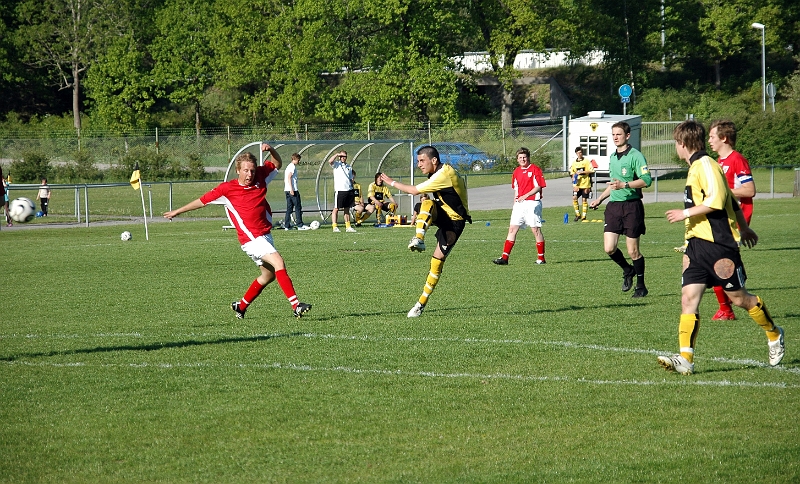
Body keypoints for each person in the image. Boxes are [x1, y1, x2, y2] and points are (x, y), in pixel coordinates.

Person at [659, 120, 783, 375]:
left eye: (676, 143)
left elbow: (716, 201)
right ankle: (686, 360)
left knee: (739, 299)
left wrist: (685, 213)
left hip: (719, 247)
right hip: (696, 246)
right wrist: (743, 226)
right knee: (688, 299)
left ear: (682, 144)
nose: (676, 147)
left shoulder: (706, 165)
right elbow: (730, 199)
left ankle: (774, 333)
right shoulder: (698, 167)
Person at [163, 145, 312, 319]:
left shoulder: (260, 177)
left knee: (269, 275)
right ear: (238, 170)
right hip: (250, 238)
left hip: (265, 235)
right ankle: (296, 305)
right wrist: (177, 212)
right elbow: (202, 201)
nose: (250, 175)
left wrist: (271, 149)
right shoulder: (227, 189)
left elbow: (277, 163)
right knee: (279, 262)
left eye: (252, 170)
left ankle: (240, 306)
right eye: (246, 171)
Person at [379, 146, 471, 318]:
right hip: (444, 214)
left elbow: (414, 191)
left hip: (455, 222)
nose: (418, 164)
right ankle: (419, 237)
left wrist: (391, 182)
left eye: (422, 160)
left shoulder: (443, 174)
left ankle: (421, 303)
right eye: (418, 160)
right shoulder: (439, 172)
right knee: (425, 203)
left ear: (434, 160)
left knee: (437, 262)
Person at [589, 121, 652, 298]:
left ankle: (641, 286)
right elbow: (614, 184)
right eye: (613, 134)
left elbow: (646, 180)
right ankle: (627, 270)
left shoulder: (636, 156)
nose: (615, 137)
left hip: (632, 206)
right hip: (614, 207)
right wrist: (600, 199)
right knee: (609, 248)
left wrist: (625, 184)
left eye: (619, 134)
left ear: (627, 135)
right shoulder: (612, 157)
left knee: (633, 251)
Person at [706, 119, 757, 321]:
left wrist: (724, 191)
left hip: (736, 220)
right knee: (715, 262)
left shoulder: (737, 160)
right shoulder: (719, 162)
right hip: (722, 220)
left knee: (719, 263)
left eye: (712, 136)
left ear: (724, 138)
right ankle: (725, 309)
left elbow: (750, 190)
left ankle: (727, 308)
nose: (709, 140)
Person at [492, 147, 547, 265]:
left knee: (535, 230)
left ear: (528, 158)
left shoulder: (535, 169)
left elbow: (538, 187)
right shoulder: (516, 171)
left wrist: (526, 196)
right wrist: (515, 203)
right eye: (520, 157)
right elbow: (516, 189)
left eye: (524, 157)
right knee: (512, 229)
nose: (523, 159)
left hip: (532, 203)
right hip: (519, 204)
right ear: (517, 159)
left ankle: (541, 258)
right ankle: (504, 258)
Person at [328, 150, 357, 232]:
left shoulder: (349, 167)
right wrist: (337, 154)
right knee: (336, 208)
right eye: (341, 156)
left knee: (347, 208)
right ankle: (335, 226)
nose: (343, 158)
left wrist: (352, 187)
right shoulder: (337, 164)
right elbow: (330, 161)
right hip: (340, 190)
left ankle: (348, 226)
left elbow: (351, 179)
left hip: (349, 190)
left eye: (344, 156)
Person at [283, 153, 308, 230]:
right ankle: (300, 225)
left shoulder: (288, 166)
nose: (299, 161)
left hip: (287, 190)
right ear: (295, 159)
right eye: (298, 160)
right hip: (292, 190)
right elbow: (289, 177)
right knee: (298, 207)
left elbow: (285, 179)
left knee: (289, 208)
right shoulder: (292, 167)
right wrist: (291, 189)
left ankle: (287, 226)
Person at [570, 146, 594, 222]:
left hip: (585, 184)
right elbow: (572, 172)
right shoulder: (574, 163)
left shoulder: (586, 161)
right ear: (576, 153)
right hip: (577, 184)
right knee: (574, 198)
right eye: (578, 153)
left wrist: (583, 172)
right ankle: (577, 214)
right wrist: (573, 177)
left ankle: (584, 216)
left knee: (584, 199)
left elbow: (592, 170)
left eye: (580, 152)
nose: (579, 154)